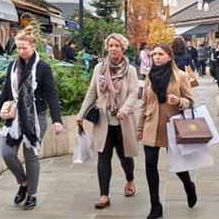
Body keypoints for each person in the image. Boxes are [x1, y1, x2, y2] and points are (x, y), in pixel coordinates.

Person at [0, 26, 63, 211]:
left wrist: (57, 120)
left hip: (36, 117)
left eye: (24, 48)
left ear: (32, 46)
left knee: (30, 156)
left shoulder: (42, 67)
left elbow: (51, 94)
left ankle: (33, 194)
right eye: (18, 48)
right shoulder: (13, 65)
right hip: (15, 117)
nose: (21, 52)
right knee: (7, 153)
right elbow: (6, 91)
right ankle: (23, 183)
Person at [77, 34, 139, 210]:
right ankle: (104, 195)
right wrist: (81, 114)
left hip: (123, 122)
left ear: (123, 48)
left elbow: (134, 93)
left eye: (117, 46)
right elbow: (92, 93)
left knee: (125, 157)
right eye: (110, 45)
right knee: (103, 158)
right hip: (103, 120)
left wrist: (125, 110)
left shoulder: (131, 70)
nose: (113, 49)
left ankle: (130, 180)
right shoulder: (99, 68)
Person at [137, 43, 197, 218]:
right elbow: (144, 104)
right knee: (150, 165)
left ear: (169, 57)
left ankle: (188, 185)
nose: (156, 57)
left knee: (178, 165)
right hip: (150, 125)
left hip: (172, 126)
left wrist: (178, 101)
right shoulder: (149, 76)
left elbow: (190, 102)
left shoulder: (180, 76)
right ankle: (155, 205)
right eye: (154, 54)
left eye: (161, 54)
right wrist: (140, 127)